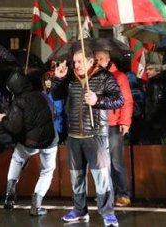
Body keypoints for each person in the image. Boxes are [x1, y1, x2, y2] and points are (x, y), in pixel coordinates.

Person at [52, 48, 123, 227]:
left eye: (79, 61)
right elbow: (56, 95)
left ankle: (107, 213)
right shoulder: (70, 77)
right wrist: (58, 78)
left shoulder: (104, 77)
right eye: (74, 62)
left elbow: (118, 99)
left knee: (102, 177)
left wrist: (98, 100)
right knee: (77, 177)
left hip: (96, 135)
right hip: (74, 135)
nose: (76, 65)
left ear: (91, 61)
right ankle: (79, 210)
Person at [0, 71, 57, 215]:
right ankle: (36, 205)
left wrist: (3, 119)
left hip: (30, 142)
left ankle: (9, 195)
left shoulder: (18, 102)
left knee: (17, 159)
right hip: (49, 140)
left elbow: (15, 127)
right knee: (47, 171)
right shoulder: (40, 95)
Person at [95, 50, 133, 208]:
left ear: (108, 59)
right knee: (102, 163)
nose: (98, 62)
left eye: (101, 59)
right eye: (96, 59)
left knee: (116, 161)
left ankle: (123, 193)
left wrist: (125, 121)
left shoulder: (119, 77)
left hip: (113, 124)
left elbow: (127, 101)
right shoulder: (94, 77)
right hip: (98, 125)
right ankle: (106, 193)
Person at [42, 71, 66, 144]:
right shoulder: (43, 93)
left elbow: (59, 110)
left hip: (57, 127)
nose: (48, 82)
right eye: (46, 80)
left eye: (50, 79)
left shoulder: (57, 93)